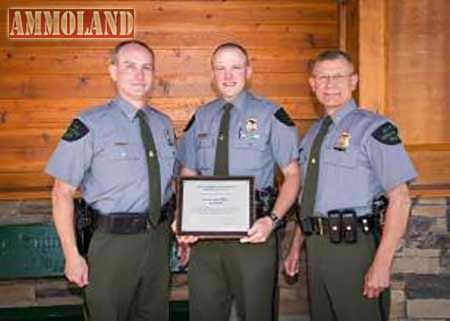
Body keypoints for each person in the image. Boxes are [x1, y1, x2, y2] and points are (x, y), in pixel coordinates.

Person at [46, 40, 176, 321]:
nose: (139, 75)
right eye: (130, 66)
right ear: (113, 71)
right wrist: (72, 255)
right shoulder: (90, 124)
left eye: (146, 68)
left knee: (155, 314)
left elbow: (169, 185)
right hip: (112, 244)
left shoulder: (163, 124)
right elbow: (61, 193)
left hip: (158, 239)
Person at [283, 50, 417, 321]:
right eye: (323, 78)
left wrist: (381, 264)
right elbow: (307, 196)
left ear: (353, 81)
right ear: (312, 84)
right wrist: (296, 245)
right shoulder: (312, 134)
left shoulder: (375, 129)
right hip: (316, 247)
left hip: (355, 249)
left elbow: (401, 199)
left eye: (338, 77)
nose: (330, 85)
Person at [176, 42, 300, 321]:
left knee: (257, 314)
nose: (228, 75)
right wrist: (184, 221)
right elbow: (188, 173)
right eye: (220, 68)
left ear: (248, 71)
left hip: (254, 234)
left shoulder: (271, 115)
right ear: (212, 75)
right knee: (204, 314)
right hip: (205, 240)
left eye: (235, 67)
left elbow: (293, 175)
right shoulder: (201, 118)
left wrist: (272, 220)